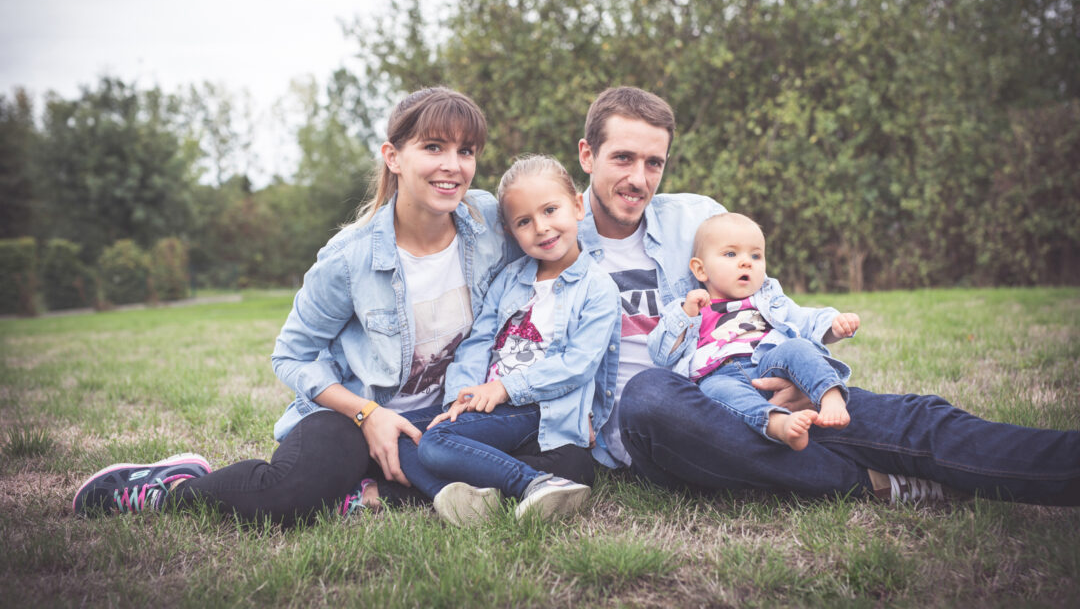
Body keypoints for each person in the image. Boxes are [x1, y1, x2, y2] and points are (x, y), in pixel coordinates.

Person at [71, 87, 590, 526]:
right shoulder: (351, 257)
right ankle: (170, 488)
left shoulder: (489, 222)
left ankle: (365, 495)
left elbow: (562, 224)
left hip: (446, 420)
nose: (453, 166)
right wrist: (368, 414)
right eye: (434, 147)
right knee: (289, 493)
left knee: (570, 461)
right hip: (359, 417)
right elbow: (292, 355)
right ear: (394, 157)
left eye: (466, 150)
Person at [577, 85, 1079, 505]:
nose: (638, 179)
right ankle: (868, 484)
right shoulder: (550, 236)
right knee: (649, 394)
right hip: (669, 422)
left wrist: (797, 369)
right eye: (623, 158)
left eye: (654, 163)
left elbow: (762, 305)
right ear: (587, 155)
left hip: (758, 382)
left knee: (914, 420)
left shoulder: (695, 217)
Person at [402, 155, 620, 525]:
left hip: (538, 409)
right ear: (510, 231)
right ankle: (460, 498)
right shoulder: (511, 279)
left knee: (437, 443)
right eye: (524, 221)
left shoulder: (598, 288)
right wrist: (461, 396)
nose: (542, 227)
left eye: (551, 210)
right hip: (491, 405)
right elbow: (478, 341)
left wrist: (504, 388)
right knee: (402, 433)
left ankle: (532, 482)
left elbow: (577, 365)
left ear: (578, 206)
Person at [648, 212, 856, 451]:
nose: (746, 262)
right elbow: (661, 354)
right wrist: (686, 314)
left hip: (769, 361)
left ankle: (830, 397)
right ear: (700, 269)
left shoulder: (768, 300)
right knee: (713, 391)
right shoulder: (690, 307)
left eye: (756, 255)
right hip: (720, 375)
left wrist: (834, 325)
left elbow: (805, 320)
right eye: (730, 254)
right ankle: (778, 423)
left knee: (797, 347)